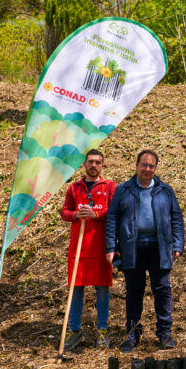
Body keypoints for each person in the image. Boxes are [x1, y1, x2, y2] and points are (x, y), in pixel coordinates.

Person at [105, 149, 184, 352]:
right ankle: (132, 334)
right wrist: (111, 247)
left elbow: (176, 218)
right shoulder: (123, 190)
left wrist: (177, 244)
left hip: (160, 247)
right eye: (144, 165)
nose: (147, 169)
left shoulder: (165, 190)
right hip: (132, 248)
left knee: (162, 290)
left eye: (151, 166)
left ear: (155, 168)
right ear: (137, 165)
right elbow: (112, 218)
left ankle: (165, 333)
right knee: (133, 292)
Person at [60, 149, 117, 351]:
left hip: (101, 245)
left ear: (102, 165)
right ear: (84, 164)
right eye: (90, 162)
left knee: (102, 287)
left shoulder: (110, 186)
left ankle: (102, 328)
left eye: (98, 162)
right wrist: (76, 214)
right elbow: (64, 212)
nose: (94, 165)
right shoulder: (74, 188)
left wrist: (95, 213)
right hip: (79, 247)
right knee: (76, 287)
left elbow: (115, 211)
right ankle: (75, 330)